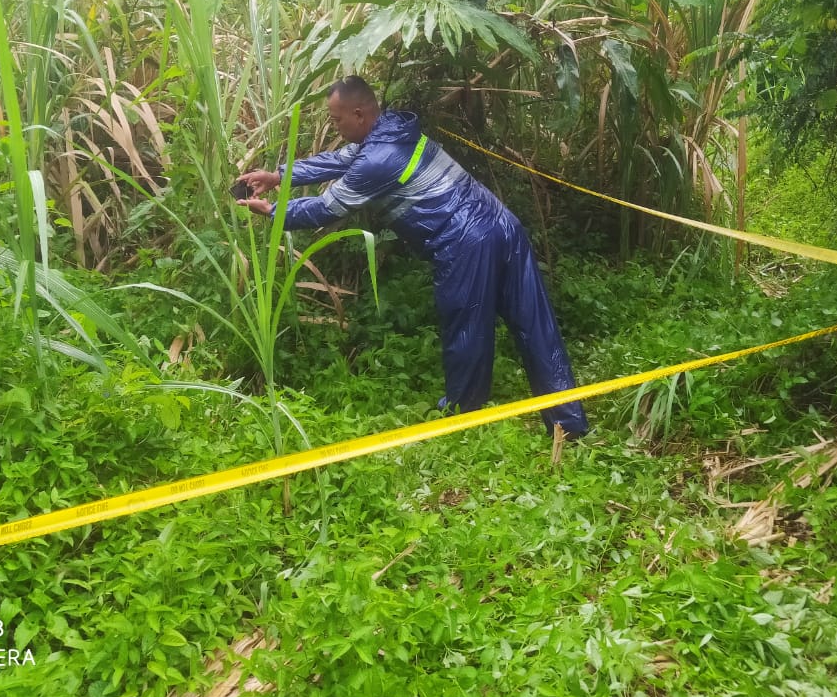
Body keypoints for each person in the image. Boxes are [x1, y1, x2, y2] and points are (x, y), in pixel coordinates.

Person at [237, 76, 589, 439]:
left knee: (467, 333)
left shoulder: (377, 160)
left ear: (358, 114)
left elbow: (328, 207)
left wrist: (274, 211)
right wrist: (278, 175)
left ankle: (461, 421)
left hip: (466, 240)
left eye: (337, 120)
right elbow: (339, 160)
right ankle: (569, 424)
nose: (336, 128)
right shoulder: (393, 130)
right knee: (536, 325)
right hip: (502, 223)